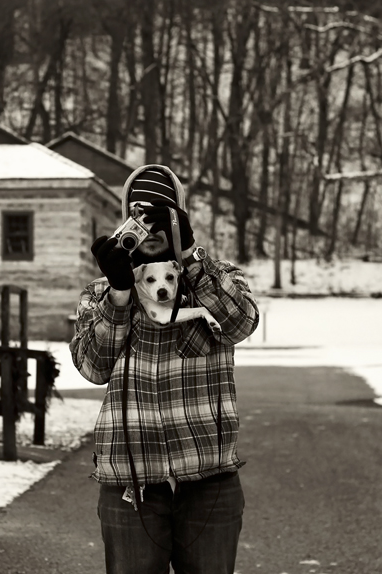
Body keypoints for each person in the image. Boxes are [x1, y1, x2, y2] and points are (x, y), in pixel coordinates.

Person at [70, 164, 259, 574]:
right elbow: (92, 367)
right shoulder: (100, 292)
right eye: (139, 215)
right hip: (130, 479)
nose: (149, 227)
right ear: (126, 222)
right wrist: (120, 294)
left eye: (159, 215)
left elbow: (241, 323)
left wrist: (190, 257)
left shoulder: (216, 278)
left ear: (179, 219)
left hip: (208, 473)